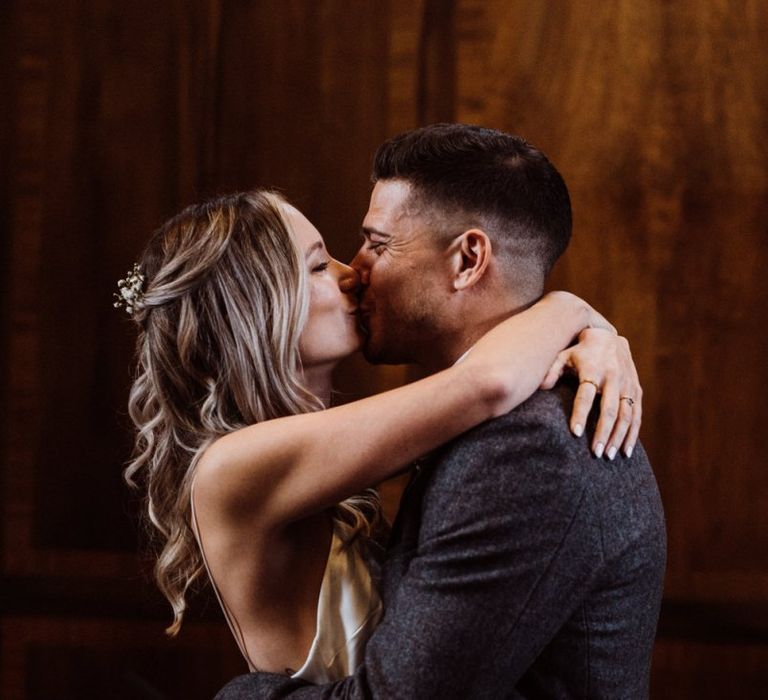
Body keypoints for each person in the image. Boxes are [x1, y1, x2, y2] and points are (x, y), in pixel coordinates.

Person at [120, 185, 639, 684]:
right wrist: (572, 310)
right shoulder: (231, 468)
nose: (354, 274)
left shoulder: (295, 455)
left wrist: (594, 341)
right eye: (319, 266)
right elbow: (487, 382)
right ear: (255, 312)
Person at [215, 124, 666, 699]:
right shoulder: (489, 420)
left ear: (468, 260)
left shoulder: (527, 451)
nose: (355, 268)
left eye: (377, 243)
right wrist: (578, 314)